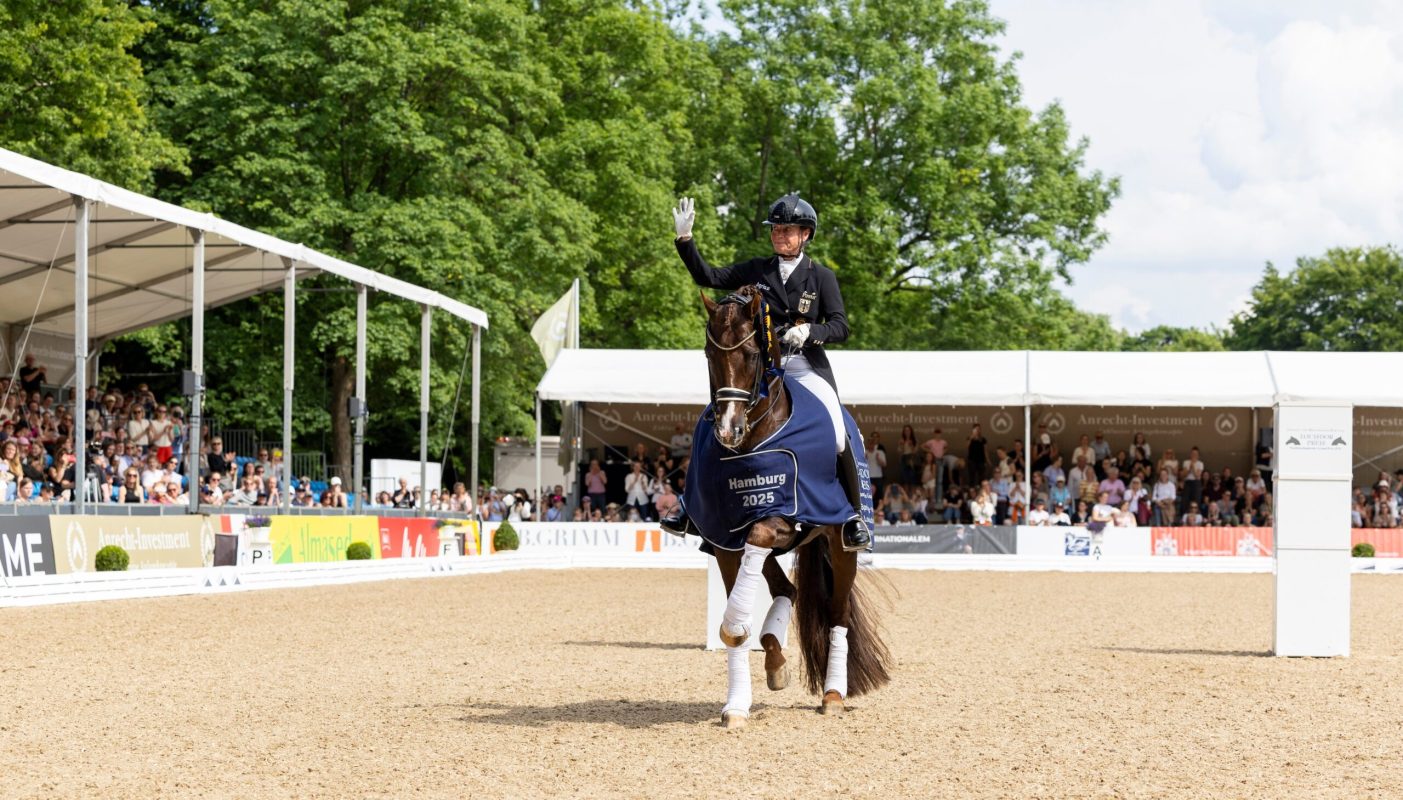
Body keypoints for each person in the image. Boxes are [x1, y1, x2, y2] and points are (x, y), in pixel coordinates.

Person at [668, 193, 870, 551]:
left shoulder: (821, 277)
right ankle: (688, 508)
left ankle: (853, 517)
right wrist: (686, 241)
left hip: (805, 365)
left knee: (838, 431)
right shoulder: (758, 270)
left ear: (806, 234)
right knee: (710, 422)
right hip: (762, 368)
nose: (780, 235)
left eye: (787, 229)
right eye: (776, 229)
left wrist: (811, 331)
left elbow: (840, 326)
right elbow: (709, 276)